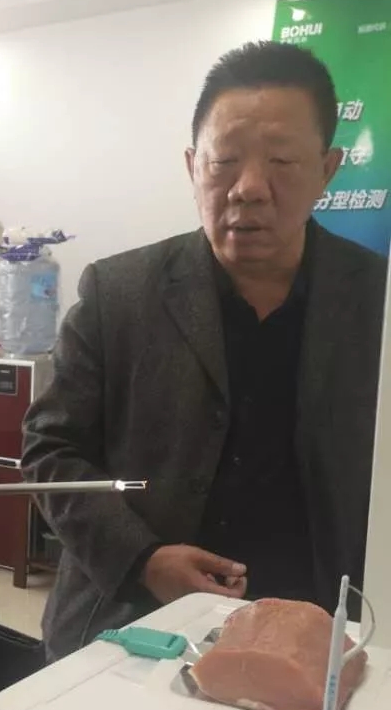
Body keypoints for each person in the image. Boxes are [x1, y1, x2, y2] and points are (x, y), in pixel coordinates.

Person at [24, 40, 387, 662]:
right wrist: (142, 557)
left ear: (327, 170)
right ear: (194, 165)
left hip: (323, 637)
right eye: (224, 162)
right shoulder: (118, 291)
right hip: (136, 625)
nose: (250, 189)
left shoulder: (377, 299)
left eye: (282, 161)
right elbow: (49, 448)